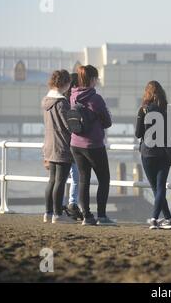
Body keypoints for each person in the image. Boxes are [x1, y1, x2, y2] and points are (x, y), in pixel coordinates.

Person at [70, 65, 115, 226]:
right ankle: (102, 216)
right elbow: (107, 122)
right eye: (97, 78)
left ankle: (87, 216)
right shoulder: (95, 99)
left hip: (75, 143)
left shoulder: (73, 95)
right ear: (92, 79)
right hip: (93, 145)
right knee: (104, 179)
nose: (98, 81)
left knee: (83, 180)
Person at [135, 80, 171, 230]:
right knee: (160, 188)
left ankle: (154, 219)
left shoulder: (144, 110)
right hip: (164, 152)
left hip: (147, 153)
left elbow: (137, 133)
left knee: (156, 188)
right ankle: (168, 219)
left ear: (147, 93)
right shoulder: (169, 110)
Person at [42, 70, 74, 224]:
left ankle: (48, 213)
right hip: (62, 145)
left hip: (49, 145)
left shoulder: (47, 101)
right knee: (60, 181)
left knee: (52, 180)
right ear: (65, 84)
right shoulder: (62, 102)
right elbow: (69, 126)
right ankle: (57, 214)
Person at [62, 73, 82, 221]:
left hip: (61, 145)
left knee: (60, 178)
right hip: (73, 144)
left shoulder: (62, 100)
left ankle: (59, 205)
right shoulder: (75, 100)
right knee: (76, 177)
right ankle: (72, 204)